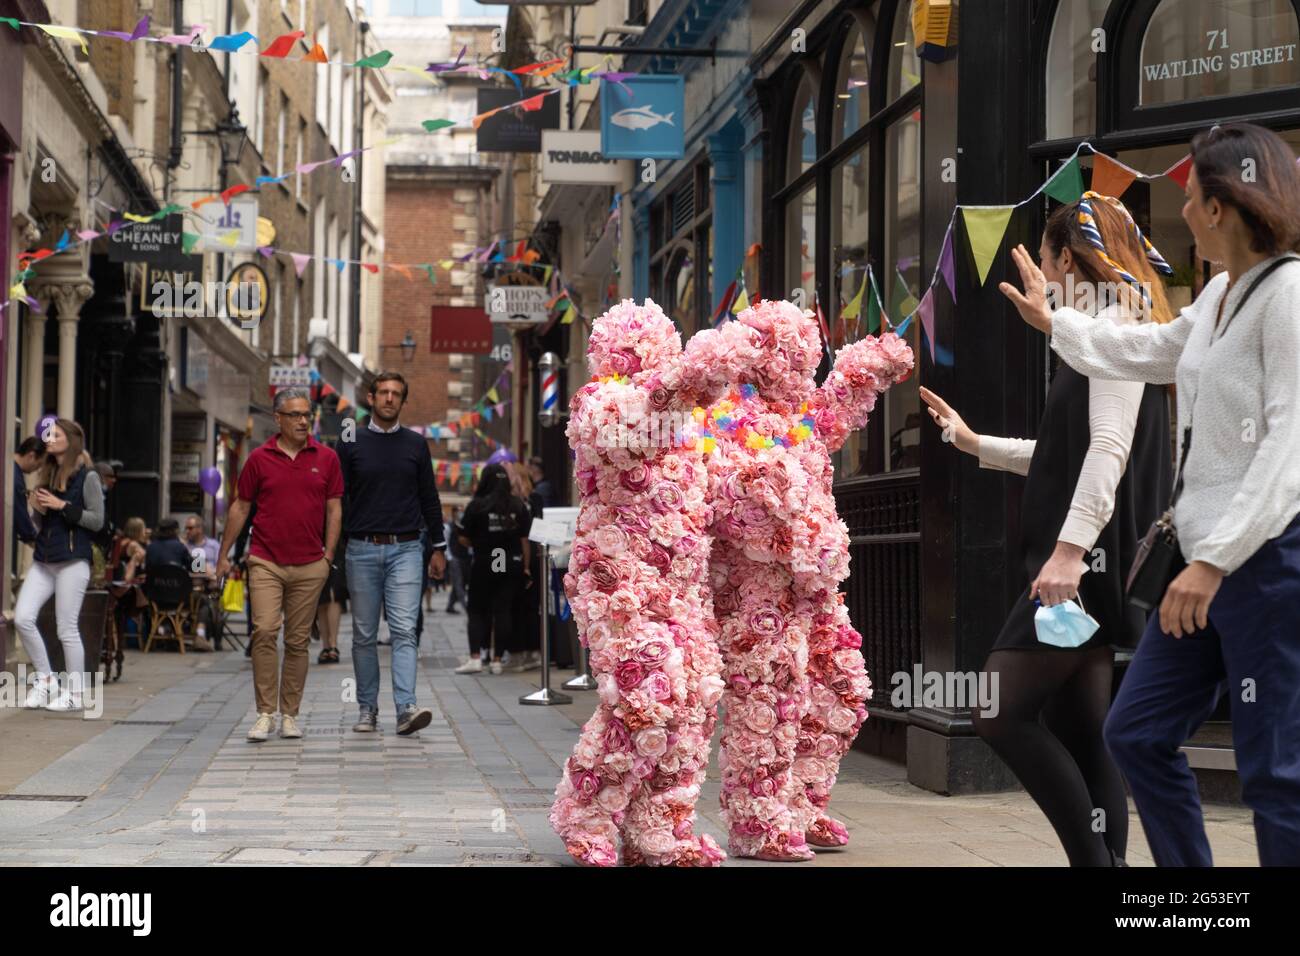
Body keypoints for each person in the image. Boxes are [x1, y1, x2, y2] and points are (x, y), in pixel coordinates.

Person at [1002, 122, 1300, 867]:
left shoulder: (1288, 297)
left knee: (1274, 772)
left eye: (1191, 197)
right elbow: (1146, 350)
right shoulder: (1222, 298)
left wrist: (1217, 559)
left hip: (1262, 564)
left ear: (1223, 206)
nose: (1184, 212)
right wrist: (1055, 320)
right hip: (1199, 562)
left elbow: (1288, 448)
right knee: (1134, 732)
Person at [921, 191, 1175, 866]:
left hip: (1083, 568)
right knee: (1081, 726)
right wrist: (977, 445)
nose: (1044, 274)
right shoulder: (1109, 334)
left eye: (1047, 259)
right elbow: (1062, 451)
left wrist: (1069, 554)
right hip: (1087, 560)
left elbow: (1108, 449)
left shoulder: (1118, 326)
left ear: (1069, 257)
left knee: (999, 712)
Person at [216, 388, 341, 742]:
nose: (304, 421)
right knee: (265, 631)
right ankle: (265, 712)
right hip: (265, 559)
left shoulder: (327, 458)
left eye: (307, 414)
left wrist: (328, 556)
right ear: (278, 418)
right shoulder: (259, 458)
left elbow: (335, 508)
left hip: (309, 564)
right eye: (295, 415)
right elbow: (241, 506)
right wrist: (223, 554)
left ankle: (290, 714)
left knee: (298, 641)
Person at [336, 372, 446, 736]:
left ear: (402, 401)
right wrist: (334, 548)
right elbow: (336, 498)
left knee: (403, 630)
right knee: (364, 634)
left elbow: (429, 497)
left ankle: (405, 709)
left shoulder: (415, 444)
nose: (388, 398)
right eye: (383, 392)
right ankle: (367, 709)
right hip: (361, 548)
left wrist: (439, 547)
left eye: (396, 394)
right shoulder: (351, 440)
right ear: (371, 397)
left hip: (407, 548)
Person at [16, 419, 104, 712]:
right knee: (23, 617)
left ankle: (75, 694)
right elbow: (40, 523)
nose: (49, 439)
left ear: (72, 439)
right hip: (44, 558)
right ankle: (46, 680)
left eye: (55, 435)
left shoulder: (87, 476)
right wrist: (37, 511)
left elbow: (97, 520)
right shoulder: (48, 471)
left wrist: (62, 506)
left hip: (72, 560)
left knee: (66, 628)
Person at [454, 464, 531, 675]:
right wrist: (526, 567)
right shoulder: (518, 505)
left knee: (477, 610)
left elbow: (462, 536)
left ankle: (476, 658)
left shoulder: (476, 506)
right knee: (503, 610)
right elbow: (524, 540)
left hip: (484, 562)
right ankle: (497, 660)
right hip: (509, 563)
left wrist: (478, 544)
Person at [146, 516, 213, 652]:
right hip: (178, 599)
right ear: (175, 530)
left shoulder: (151, 547)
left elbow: (147, 569)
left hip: (155, 598)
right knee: (203, 601)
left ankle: (164, 629)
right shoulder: (179, 547)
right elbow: (195, 568)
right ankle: (199, 635)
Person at [505, 461, 542, 672]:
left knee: (525, 606)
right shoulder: (510, 501)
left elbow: (531, 533)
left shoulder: (531, 500)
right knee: (510, 605)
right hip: (507, 557)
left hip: (527, 558)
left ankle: (526, 651)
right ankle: (514, 651)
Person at [316, 538, 347, 664]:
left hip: (337, 545)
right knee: (321, 597)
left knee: (334, 593)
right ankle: (326, 646)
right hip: (314, 539)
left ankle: (332, 644)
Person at [13, 436, 45, 548]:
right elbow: (20, 516)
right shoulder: (15, 477)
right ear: (31, 456)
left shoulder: (13, 471)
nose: (37, 469)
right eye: (39, 464)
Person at [444, 505, 469, 614]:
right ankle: (466, 606)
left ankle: (450, 606)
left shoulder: (463, 526)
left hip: (464, 558)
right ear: (454, 513)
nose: (460, 514)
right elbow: (446, 543)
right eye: (459, 511)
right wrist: (450, 558)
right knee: (458, 583)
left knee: (460, 583)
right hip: (454, 558)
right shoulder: (448, 526)